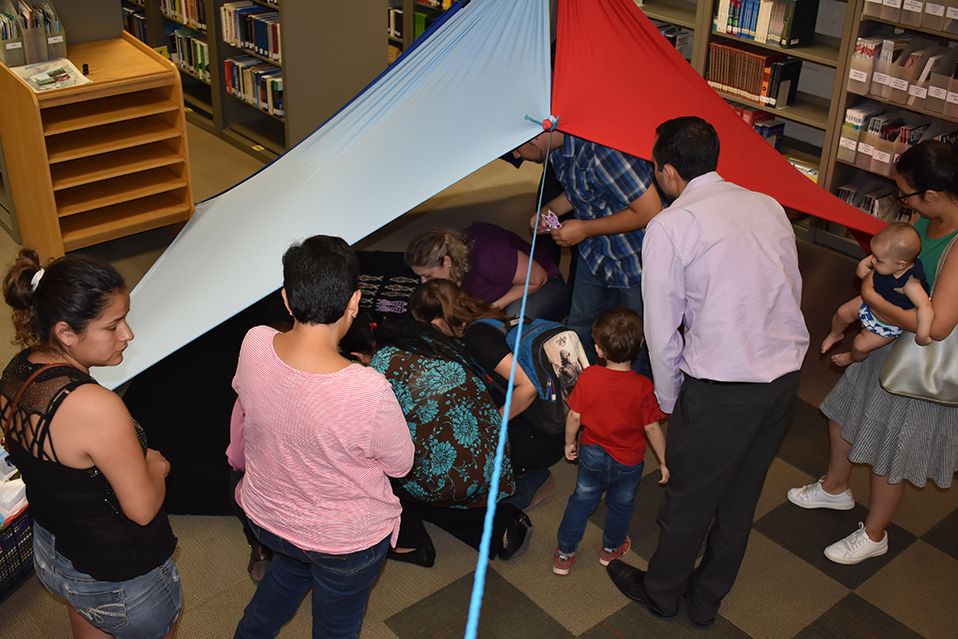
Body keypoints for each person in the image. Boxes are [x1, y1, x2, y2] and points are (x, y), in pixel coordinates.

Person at [606, 117, 809, 627]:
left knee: (688, 501)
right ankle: (705, 600)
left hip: (721, 389)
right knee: (740, 498)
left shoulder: (671, 225)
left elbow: (661, 327)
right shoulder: (767, 205)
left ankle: (662, 593)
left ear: (669, 172)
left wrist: (671, 399)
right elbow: (791, 288)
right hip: (783, 380)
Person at [231, 235, 415, 639]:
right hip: (344, 541)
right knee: (336, 628)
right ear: (355, 302)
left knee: (287, 574)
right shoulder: (368, 390)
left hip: (269, 519)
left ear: (286, 298)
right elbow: (401, 465)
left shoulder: (254, 341)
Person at [787, 140, 958, 565]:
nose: (902, 201)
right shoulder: (922, 217)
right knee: (842, 414)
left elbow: (937, 326)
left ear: (932, 194)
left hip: (914, 363)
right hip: (885, 341)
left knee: (889, 449)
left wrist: (872, 298)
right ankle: (835, 488)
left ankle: (875, 533)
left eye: (905, 193)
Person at [0, 249, 181, 639]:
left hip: (53, 553)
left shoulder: (16, 370)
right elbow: (142, 510)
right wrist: (156, 466)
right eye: (113, 326)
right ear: (66, 332)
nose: (127, 334)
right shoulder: (97, 407)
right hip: (116, 578)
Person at [366, 317, 533, 566]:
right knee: (435, 480)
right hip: (495, 458)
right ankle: (500, 526)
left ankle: (410, 542)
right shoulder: (430, 343)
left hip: (455, 476)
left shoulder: (380, 367)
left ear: (360, 354)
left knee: (374, 469)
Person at [512, 129, 663, 377]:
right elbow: (581, 190)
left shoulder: (604, 153)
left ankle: (637, 398)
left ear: (535, 137)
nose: (518, 156)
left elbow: (650, 210)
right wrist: (551, 209)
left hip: (635, 260)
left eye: (517, 149)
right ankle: (578, 390)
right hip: (595, 255)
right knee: (579, 330)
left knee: (638, 344)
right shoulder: (557, 151)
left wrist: (584, 228)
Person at [409, 279, 565, 506]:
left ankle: (530, 477)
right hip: (553, 410)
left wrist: (494, 424)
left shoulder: (477, 337)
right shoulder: (484, 313)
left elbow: (528, 387)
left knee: (466, 434)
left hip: (543, 433)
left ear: (436, 323)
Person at [552, 307, 668, 576]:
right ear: (641, 344)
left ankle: (564, 554)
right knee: (621, 505)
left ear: (598, 350)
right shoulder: (643, 386)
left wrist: (569, 444)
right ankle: (611, 550)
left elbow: (574, 416)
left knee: (581, 501)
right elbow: (652, 428)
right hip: (628, 461)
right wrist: (664, 461)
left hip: (592, 454)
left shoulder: (589, 376)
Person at [404, 223, 569, 321]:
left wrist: (491, 309)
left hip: (545, 284)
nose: (423, 281)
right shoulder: (453, 264)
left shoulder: (489, 256)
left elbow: (538, 279)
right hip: (506, 287)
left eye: (427, 275)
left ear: (447, 261)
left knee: (510, 327)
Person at [821, 222, 933, 367]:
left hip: (886, 325)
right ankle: (835, 334)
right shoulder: (889, 260)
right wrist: (862, 265)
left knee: (860, 346)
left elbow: (925, 307)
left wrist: (923, 335)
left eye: (878, 260)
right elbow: (871, 262)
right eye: (873, 255)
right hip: (868, 305)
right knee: (842, 313)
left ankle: (851, 357)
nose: (872, 260)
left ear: (900, 265)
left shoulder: (910, 284)